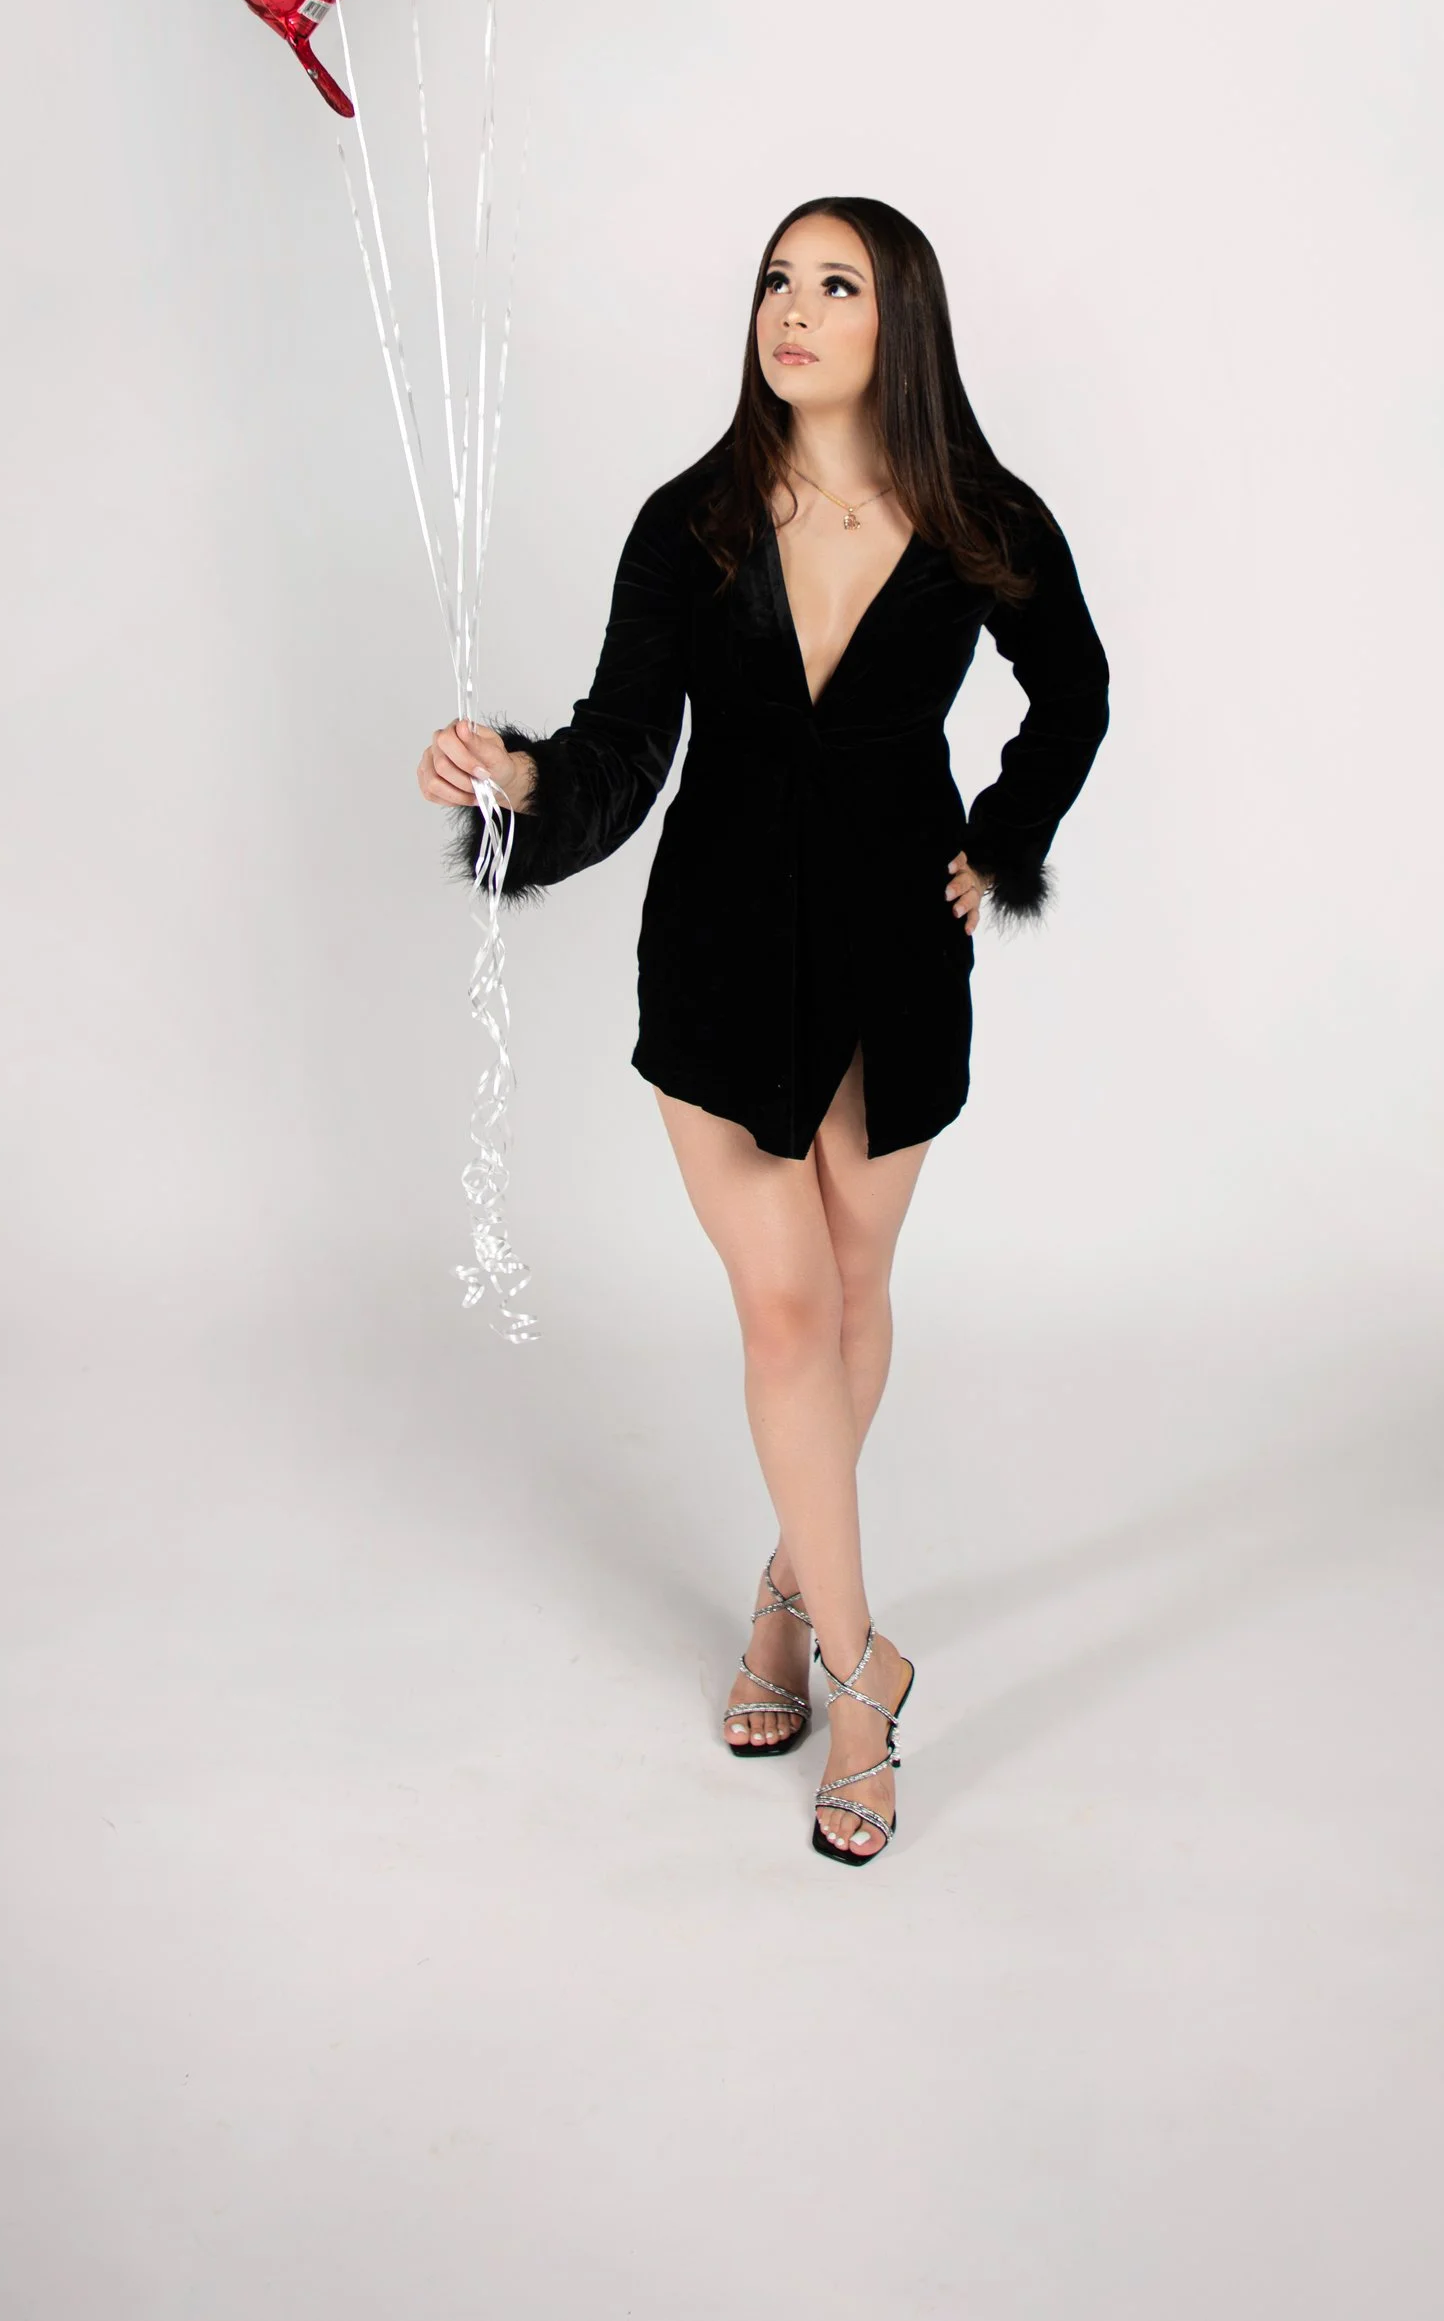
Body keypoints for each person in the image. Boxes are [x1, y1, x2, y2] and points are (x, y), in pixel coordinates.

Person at [415, 197, 1109, 1861]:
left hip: (893, 956)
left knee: (857, 1296)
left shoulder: (976, 514)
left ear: (901, 321)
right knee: (789, 1313)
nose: (791, 312)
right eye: (775, 283)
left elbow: (1073, 684)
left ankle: (792, 1591)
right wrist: (512, 777)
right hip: (719, 953)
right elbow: (617, 752)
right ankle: (865, 1680)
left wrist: (998, 843)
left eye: (835, 285)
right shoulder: (695, 519)